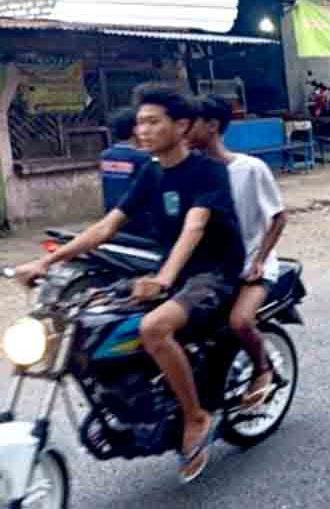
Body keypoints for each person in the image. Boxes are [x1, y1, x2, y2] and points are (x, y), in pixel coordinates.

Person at [15, 83, 245, 483]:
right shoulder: (150, 172)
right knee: (86, 318)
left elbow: (195, 226)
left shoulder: (208, 172)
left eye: (153, 122)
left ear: (182, 125)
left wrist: (164, 279)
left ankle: (196, 417)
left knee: (153, 327)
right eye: (140, 122)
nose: (143, 130)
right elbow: (106, 227)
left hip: (213, 272)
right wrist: (46, 261)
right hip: (169, 268)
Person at [187, 95, 288, 412]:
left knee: (240, 321)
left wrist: (259, 259)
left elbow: (278, 217)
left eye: (192, 123)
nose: (184, 129)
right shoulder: (191, 171)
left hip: (251, 267)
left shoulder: (250, 169)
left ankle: (263, 369)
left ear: (213, 126)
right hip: (211, 269)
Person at [98, 107, 153, 238]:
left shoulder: (106, 155)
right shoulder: (143, 158)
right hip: (137, 220)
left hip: (112, 215)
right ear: (135, 129)